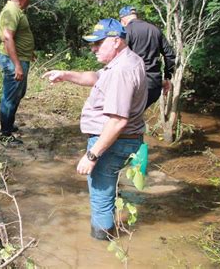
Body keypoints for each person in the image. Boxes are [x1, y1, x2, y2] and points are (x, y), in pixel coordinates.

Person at [42, 19, 147, 240]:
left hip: (112, 141)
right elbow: (97, 77)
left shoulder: (121, 71)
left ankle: (101, 242)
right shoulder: (125, 61)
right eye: (92, 44)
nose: (93, 48)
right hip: (124, 140)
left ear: (116, 41)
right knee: (106, 191)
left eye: (99, 43)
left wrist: (92, 155)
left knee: (100, 198)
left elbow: (117, 121)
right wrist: (66, 74)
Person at [0, 0, 36, 145]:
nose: (30, 0)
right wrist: (17, 65)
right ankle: (5, 135)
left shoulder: (16, 10)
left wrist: (29, 52)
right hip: (14, 61)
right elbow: (7, 37)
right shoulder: (11, 11)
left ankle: (8, 125)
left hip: (20, 58)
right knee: (10, 97)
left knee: (18, 94)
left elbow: (17, 36)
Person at [119, 6, 176, 109]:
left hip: (135, 85)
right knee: (135, 118)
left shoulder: (126, 31)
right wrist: (167, 77)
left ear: (123, 19)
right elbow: (170, 55)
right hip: (154, 86)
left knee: (124, 119)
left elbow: (120, 58)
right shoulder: (155, 30)